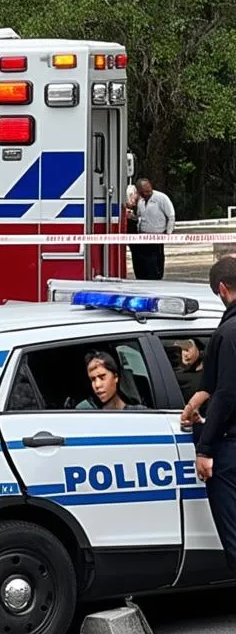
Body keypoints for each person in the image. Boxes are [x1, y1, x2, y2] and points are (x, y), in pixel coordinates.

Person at [181, 256, 236, 572]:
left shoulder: (227, 334)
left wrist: (204, 449)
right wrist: (200, 397)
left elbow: (226, 394)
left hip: (229, 451)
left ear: (222, 289)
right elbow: (214, 385)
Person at [130, 177, 175, 280]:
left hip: (157, 238)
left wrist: (168, 234)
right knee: (144, 264)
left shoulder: (161, 198)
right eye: (145, 192)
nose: (148, 193)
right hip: (143, 238)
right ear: (140, 192)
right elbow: (140, 216)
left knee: (156, 264)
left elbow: (171, 216)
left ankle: (156, 279)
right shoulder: (140, 200)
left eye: (149, 190)